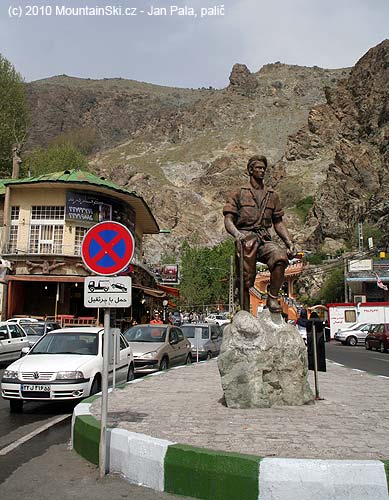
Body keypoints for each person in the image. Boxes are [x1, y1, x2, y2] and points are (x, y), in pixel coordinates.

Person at [223, 155, 298, 313]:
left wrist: (289, 243)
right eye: (258, 168)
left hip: (264, 239)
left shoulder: (272, 195)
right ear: (250, 170)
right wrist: (237, 234)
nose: (262, 171)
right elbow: (228, 220)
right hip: (245, 237)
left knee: (280, 258)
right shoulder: (239, 193)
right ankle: (244, 310)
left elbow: (278, 222)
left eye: (264, 168)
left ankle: (272, 298)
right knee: (245, 278)